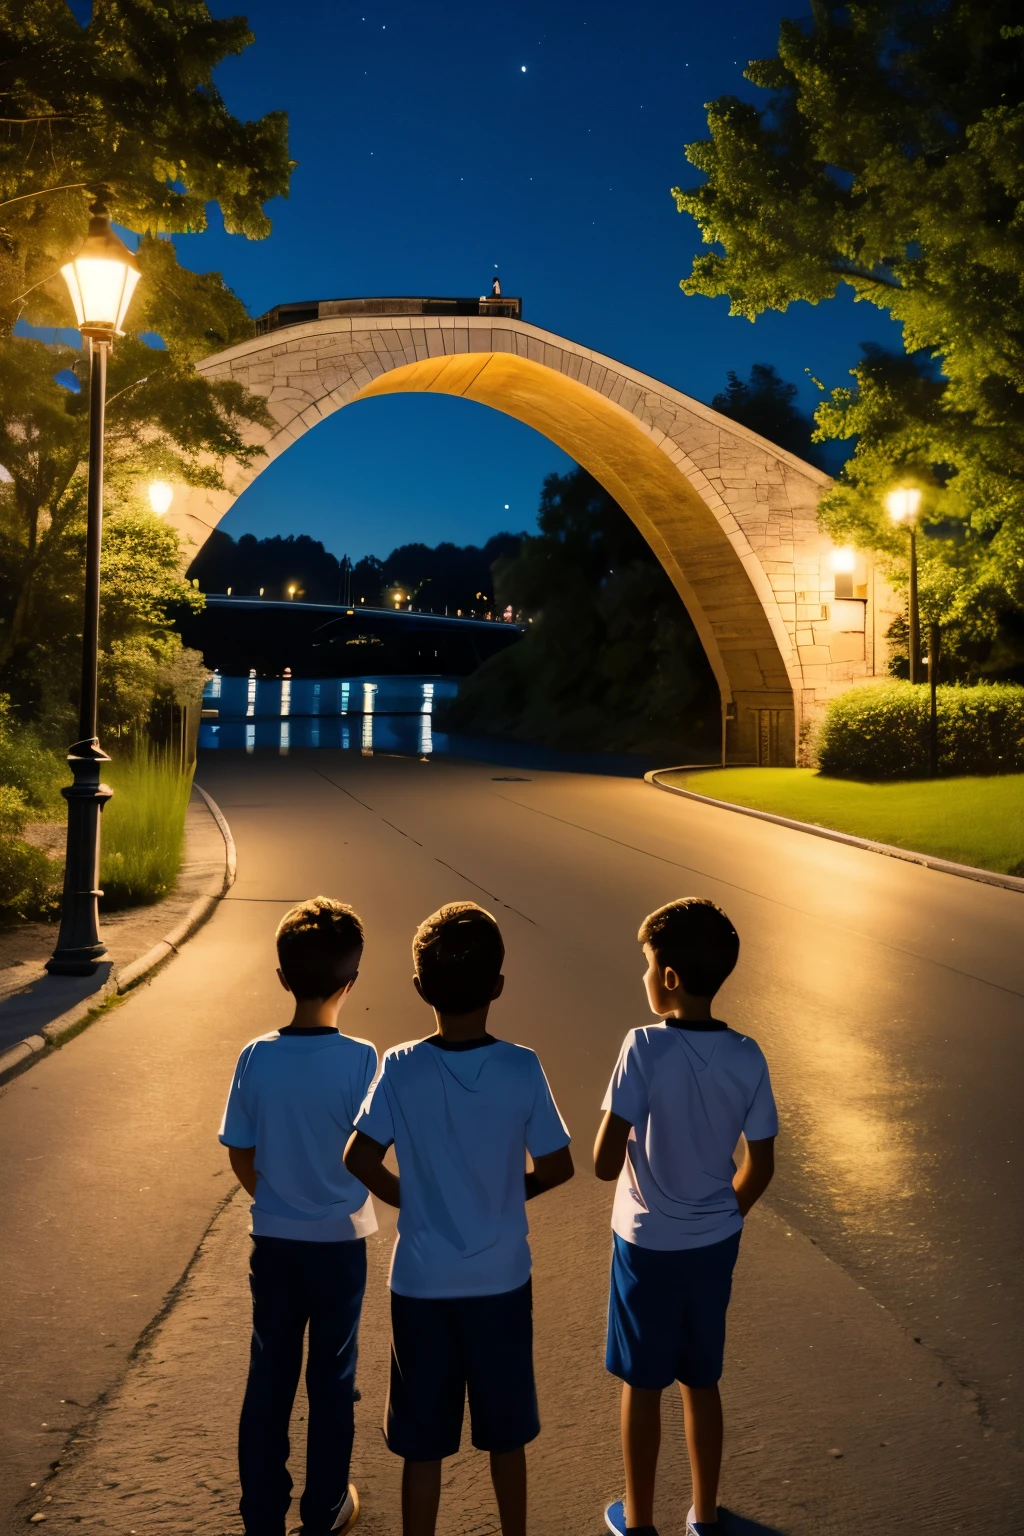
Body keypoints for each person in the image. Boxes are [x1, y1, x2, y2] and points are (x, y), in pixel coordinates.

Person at [344, 901, 574, 1536]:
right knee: (506, 1436)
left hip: (420, 1284)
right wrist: (502, 1190)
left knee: (422, 1443)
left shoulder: (400, 1065)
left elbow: (359, 1155)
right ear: (499, 986)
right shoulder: (522, 1066)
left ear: (420, 988)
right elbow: (558, 1167)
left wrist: (410, 1199)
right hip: (500, 1281)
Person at [593, 899, 778, 1536]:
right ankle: (703, 1514)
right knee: (702, 1378)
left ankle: (638, 1520)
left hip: (645, 1245)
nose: (643, 975)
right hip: (713, 1242)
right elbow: (761, 1162)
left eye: (647, 964)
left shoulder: (642, 1046)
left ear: (669, 977)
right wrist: (726, 1214)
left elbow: (601, 1160)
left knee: (642, 1384)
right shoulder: (748, 1054)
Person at [219, 897, 377, 1536]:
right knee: (332, 1375)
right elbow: (372, 1152)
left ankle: (262, 1511)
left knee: (270, 1373)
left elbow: (239, 1149)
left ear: (281, 977)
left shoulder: (256, 1056)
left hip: (275, 1241)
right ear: (352, 980)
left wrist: (273, 1196)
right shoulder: (365, 1058)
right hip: (341, 1243)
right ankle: (325, 1506)